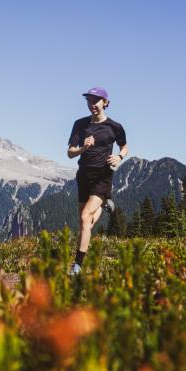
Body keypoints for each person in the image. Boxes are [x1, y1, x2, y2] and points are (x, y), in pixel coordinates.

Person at [66, 87, 128, 275]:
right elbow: (69, 153)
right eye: (89, 100)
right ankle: (103, 205)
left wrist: (119, 157)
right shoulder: (80, 125)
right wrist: (83, 148)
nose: (92, 104)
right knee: (85, 222)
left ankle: (77, 265)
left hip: (103, 176)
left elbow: (124, 146)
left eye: (96, 100)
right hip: (84, 176)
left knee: (85, 217)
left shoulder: (114, 127)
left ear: (105, 103)